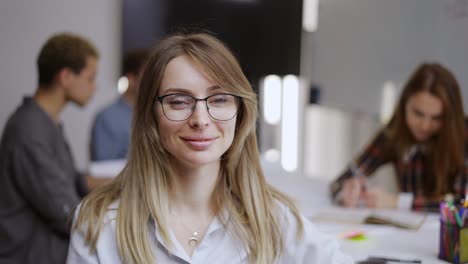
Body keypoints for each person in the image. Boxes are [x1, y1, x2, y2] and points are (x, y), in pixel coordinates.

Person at [67, 32, 352, 263]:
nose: (201, 120)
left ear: (241, 114)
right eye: (178, 101)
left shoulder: (276, 219)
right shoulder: (100, 221)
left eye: (219, 100)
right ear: (149, 116)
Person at [0, 33, 105, 263]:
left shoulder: (46, 122)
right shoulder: (30, 131)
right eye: (90, 78)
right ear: (65, 76)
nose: (94, 87)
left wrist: (122, 181)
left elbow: (71, 179)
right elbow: (66, 212)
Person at [330, 63, 468, 212]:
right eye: (418, 113)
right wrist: (348, 190)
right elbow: (341, 180)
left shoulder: (463, 135)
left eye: (437, 118)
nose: (425, 126)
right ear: (404, 105)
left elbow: (462, 202)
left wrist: (397, 202)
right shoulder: (395, 132)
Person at [90, 49, 149, 161]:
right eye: (147, 76)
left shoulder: (156, 112)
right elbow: (104, 168)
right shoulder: (108, 118)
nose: (153, 81)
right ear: (131, 79)